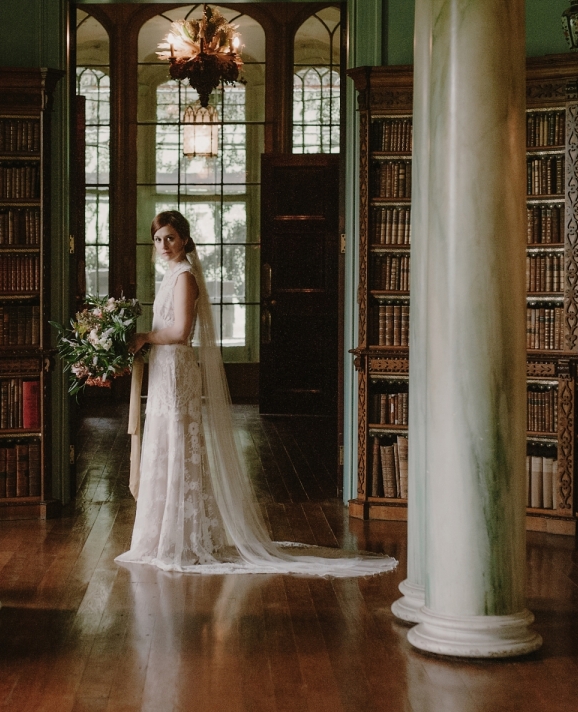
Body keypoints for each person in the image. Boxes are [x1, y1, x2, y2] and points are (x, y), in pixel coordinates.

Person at [115, 210, 397, 576]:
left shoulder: (184, 277)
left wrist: (143, 338)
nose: (163, 245)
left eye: (170, 237)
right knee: (164, 445)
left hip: (177, 371)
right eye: (157, 239)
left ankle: (183, 538)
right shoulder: (169, 276)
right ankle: (162, 536)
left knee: (178, 444)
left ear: (184, 239)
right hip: (164, 370)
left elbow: (182, 332)